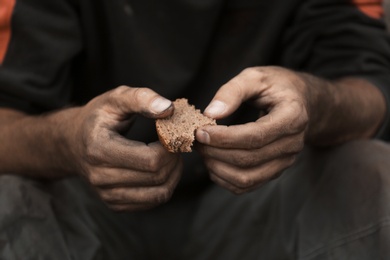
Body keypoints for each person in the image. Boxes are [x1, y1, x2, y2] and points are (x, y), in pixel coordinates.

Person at [0, 0, 390, 259]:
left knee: (373, 172)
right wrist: (69, 139)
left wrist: (312, 101)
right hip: (91, 212)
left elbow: (372, 89)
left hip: (255, 207)